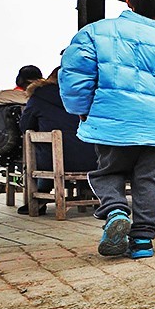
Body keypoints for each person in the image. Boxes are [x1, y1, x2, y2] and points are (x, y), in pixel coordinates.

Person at [59, 0, 155, 259]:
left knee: (108, 172)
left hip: (112, 123)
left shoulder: (96, 32)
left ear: (128, 2)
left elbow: (75, 76)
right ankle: (143, 241)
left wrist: (82, 109)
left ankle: (116, 211)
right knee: (150, 181)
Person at [17, 67, 99, 214]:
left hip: (54, 162)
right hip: (95, 160)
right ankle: (93, 194)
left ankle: (40, 198)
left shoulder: (39, 97)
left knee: (42, 151)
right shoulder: (92, 97)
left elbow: (25, 126)